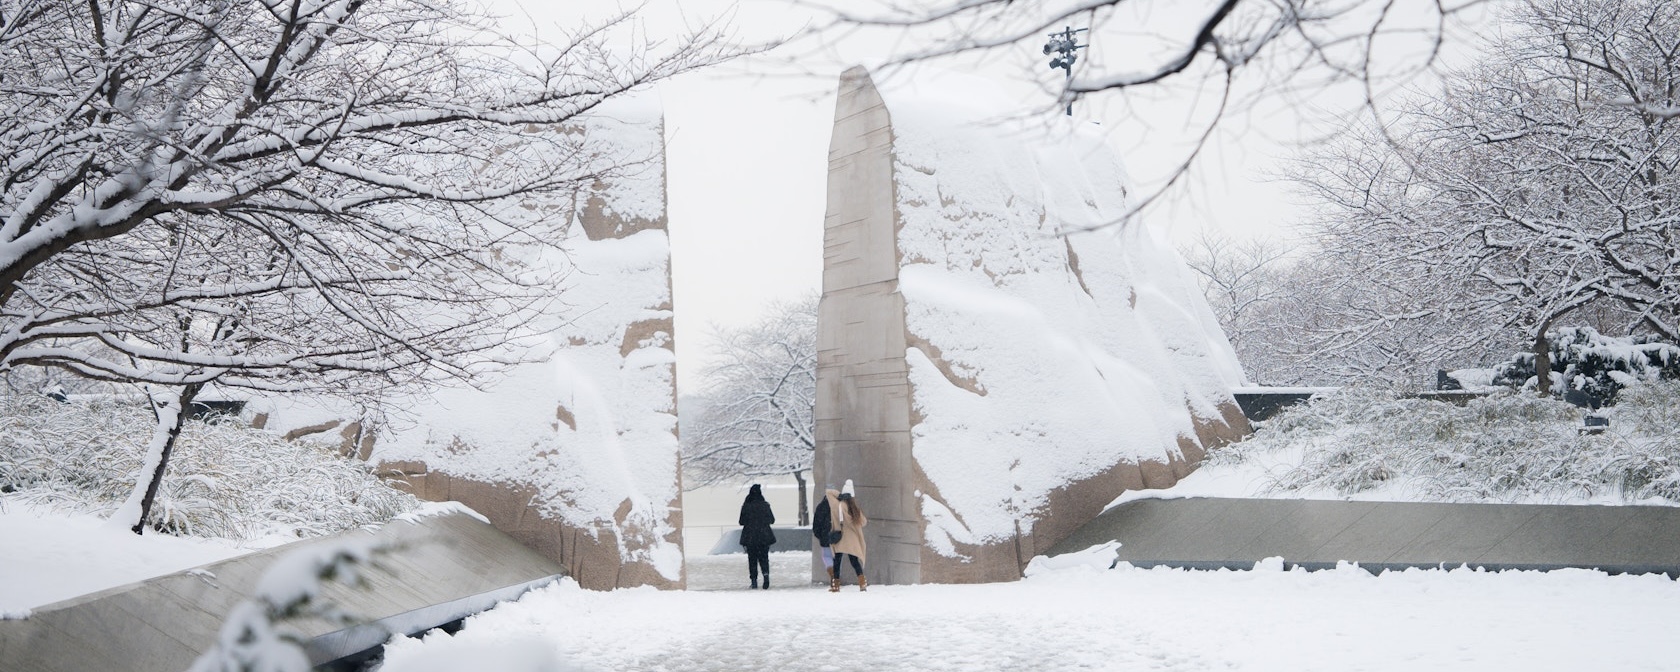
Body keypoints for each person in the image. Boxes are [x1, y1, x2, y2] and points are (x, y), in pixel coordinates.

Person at [831, 479, 868, 592]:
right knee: (854, 560)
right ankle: (862, 582)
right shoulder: (854, 508)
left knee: (837, 560)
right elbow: (863, 522)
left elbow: (837, 517)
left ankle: (836, 584)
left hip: (841, 536)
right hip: (852, 538)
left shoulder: (840, 505)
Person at [737, 483, 776, 590]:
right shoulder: (765, 505)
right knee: (764, 558)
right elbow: (772, 520)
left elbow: (741, 522)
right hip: (764, 536)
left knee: (752, 559)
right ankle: (766, 575)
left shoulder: (746, 506)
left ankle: (754, 581)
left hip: (750, 537)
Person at [812, 486, 841, 587]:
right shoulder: (839, 505)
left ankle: (832, 575)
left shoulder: (821, 506)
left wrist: (820, 535)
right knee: (837, 557)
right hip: (838, 535)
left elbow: (816, 523)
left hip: (825, 535)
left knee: (827, 556)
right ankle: (836, 577)